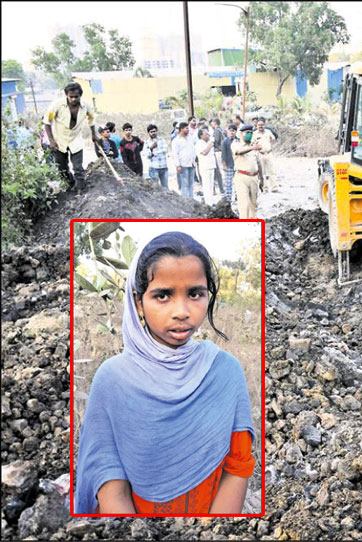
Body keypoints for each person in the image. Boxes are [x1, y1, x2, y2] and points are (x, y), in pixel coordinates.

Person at [74, 231, 255, 514]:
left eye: (195, 294)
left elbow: (238, 467)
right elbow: (109, 481)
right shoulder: (113, 380)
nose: (182, 311)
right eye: (163, 296)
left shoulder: (225, 371)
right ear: (137, 302)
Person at [43, 82, 99, 192]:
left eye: (76, 97)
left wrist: (94, 134)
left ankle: (81, 187)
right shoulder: (57, 105)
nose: (73, 99)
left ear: (80, 95)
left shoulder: (86, 106)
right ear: (67, 95)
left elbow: (91, 120)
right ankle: (71, 184)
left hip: (76, 139)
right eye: (71, 97)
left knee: (78, 167)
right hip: (59, 140)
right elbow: (47, 122)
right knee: (62, 168)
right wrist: (51, 140)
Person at [231, 124, 261, 219]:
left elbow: (258, 163)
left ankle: (252, 223)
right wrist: (253, 148)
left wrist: (262, 179)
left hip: (254, 177)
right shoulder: (236, 144)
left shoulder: (253, 146)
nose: (249, 135)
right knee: (244, 204)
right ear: (241, 134)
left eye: (251, 133)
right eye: (247, 133)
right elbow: (239, 151)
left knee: (254, 204)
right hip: (242, 177)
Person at [173, 122, 198, 199]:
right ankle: (185, 200)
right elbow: (175, 154)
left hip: (191, 164)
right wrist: (178, 165)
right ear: (181, 129)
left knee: (191, 183)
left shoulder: (190, 137)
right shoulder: (176, 140)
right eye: (186, 128)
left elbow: (193, 148)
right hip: (183, 165)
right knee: (184, 184)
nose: (188, 130)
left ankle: (191, 199)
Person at [252, 120, 277, 193]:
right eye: (259, 125)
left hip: (269, 153)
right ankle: (264, 188)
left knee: (272, 171)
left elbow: (273, 139)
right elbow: (252, 143)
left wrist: (270, 146)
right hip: (260, 154)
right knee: (262, 172)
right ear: (257, 126)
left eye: (262, 125)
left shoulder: (268, 132)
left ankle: (274, 188)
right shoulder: (255, 134)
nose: (260, 127)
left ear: (264, 125)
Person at [196, 129, 217, 205]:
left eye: (208, 134)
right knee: (206, 186)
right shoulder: (199, 143)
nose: (208, 135)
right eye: (206, 134)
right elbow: (204, 152)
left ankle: (212, 201)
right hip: (205, 167)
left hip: (211, 166)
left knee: (211, 185)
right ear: (201, 136)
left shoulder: (209, 142)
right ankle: (208, 203)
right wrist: (210, 145)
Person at [144, 124, 169, 189]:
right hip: (153, 168)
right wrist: (151, 148)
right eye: (151, 132)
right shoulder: (147, 142)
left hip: (163, 166)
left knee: (165, 187)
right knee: (156, 188)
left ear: (157, 131)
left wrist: (154, 152)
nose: (153, 133)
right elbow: (147, 155)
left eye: (154, 131)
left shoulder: (162, 140)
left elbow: (165, 150)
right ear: (148, 133)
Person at [221, 124, 238, 202]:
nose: (232, 132)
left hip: (238, 165)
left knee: (238, 182)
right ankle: (228, 198)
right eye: (230, 131)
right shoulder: (225, 141)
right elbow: (223, 154)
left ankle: (238, 196)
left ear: (236, 132)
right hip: (229, 165)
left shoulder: (239, 141)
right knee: (228, 183)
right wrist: (224, 164)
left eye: (233, 131)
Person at [210, 118, 226, 195]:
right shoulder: (222, 129)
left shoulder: (216, 131)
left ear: (215, 123)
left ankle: (221, 188)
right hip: (222, 151)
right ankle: (221, 188)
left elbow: (215, 141)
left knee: (219, 170)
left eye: (212, 123)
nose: (211, 124)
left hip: (218, 151)